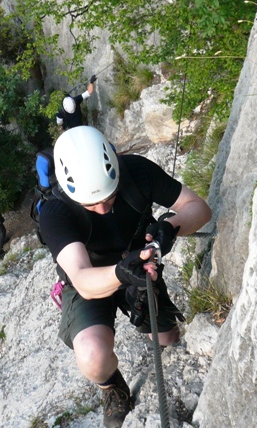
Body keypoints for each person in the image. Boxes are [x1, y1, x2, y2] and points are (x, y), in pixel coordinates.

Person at [38, 126, 212, 427]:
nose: (103, 209)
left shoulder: (136, 171)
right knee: (93, 356)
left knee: (167, 339)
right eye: (91, 204)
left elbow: (199, 209)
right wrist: (120, 271)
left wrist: (172, 226)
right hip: (92, 280)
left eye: (110, 195)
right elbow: (81, 278)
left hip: (140, 267)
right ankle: (112, 387)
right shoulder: (56, 211)